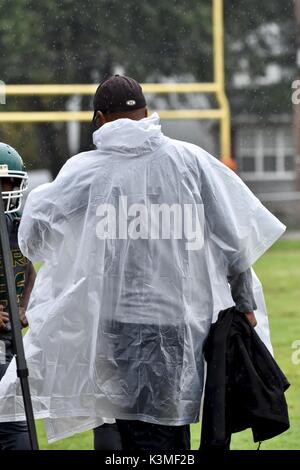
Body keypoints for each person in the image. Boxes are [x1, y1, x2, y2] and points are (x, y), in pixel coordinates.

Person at [0, 76, 285, 449]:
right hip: (180, 322)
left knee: (132, 430)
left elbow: (35, 236)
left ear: (100, 119)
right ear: (147, 113)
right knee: (167, 428)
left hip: (117, 325)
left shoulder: (87, 171)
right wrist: (245, 307)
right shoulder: (191, 161)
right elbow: (235, 243)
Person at [0, 143, 36, 450]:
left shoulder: (18, 225)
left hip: (7, 340)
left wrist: (23, 306)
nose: (3, 192)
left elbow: (29, 268)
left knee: (16, 432)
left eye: (7, 184)